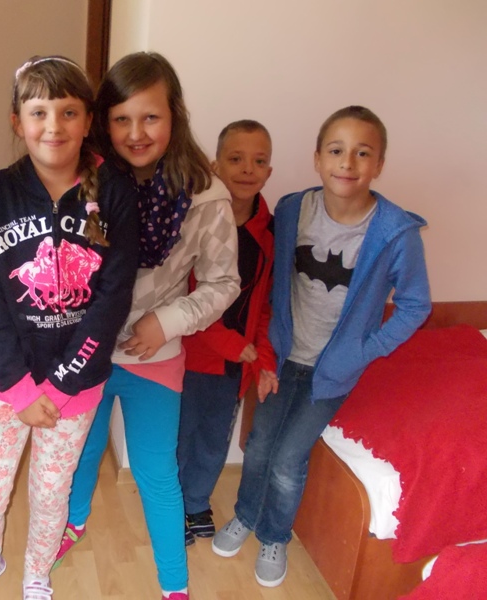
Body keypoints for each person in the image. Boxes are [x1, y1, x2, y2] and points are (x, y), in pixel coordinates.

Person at [0, 55, 139, 600]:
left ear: (88, 120)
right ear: (17, 121)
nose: (54, 126)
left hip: (77, 385)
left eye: (69, 112)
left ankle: (36, 574)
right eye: (39, 112)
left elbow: (113, 298)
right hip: (5, 383)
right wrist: (20, 387)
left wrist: (65, 381)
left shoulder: (116, 194)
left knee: (51, 496)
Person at [212, 105, 431, 587]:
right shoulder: (293, 210)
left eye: (362, 153)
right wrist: (263, 345)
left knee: (289, 458)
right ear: (317, 158)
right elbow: (270, 279)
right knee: (260, 443)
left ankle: (274, 535)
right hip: (282, 355)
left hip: (334, 369)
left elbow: (416, 305)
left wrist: (365, 351)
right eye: (336, 150)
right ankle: (246, 514)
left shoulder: (395, 232)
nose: (347, 163)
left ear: (379, 164)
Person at [57, 52, 241, 600]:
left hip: (153, 357)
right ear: (103, 121)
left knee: (156, 472)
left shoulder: (207, 194)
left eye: (151, 117)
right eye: (122, 119)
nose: (136, 133)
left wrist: (167, 321)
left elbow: (223, 283)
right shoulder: (84, 182)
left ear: (174, 115)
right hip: (86, 352)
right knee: (79, 454)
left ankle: (174, 586)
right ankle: (71, 524)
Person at [178, 120, 278, 546]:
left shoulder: (269, 233)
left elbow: (267, 303)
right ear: (215, 165)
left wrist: (262, 358)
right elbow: (186, 295)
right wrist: (231, 345)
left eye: (259, 161)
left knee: (214, 439)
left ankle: (196, 502)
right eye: (236, 159)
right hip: (190, 355)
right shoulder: (194, 219)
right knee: (180, 436)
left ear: (269, 171)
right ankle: (172, 506)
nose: (247, 169)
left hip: (235, 365)